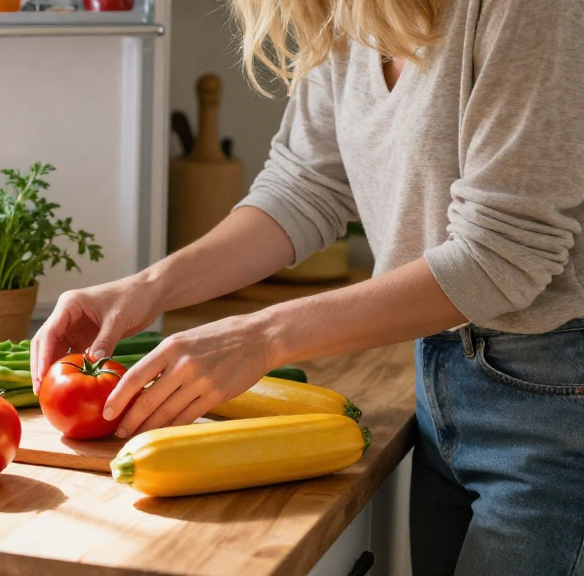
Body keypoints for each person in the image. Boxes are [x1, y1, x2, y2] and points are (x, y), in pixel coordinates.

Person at [30, 1, 584, 575]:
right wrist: (148, 288)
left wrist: (264, 335)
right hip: (441, 369)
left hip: (556, 398)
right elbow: (306, 186)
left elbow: (503, 255)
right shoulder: (351, 11)